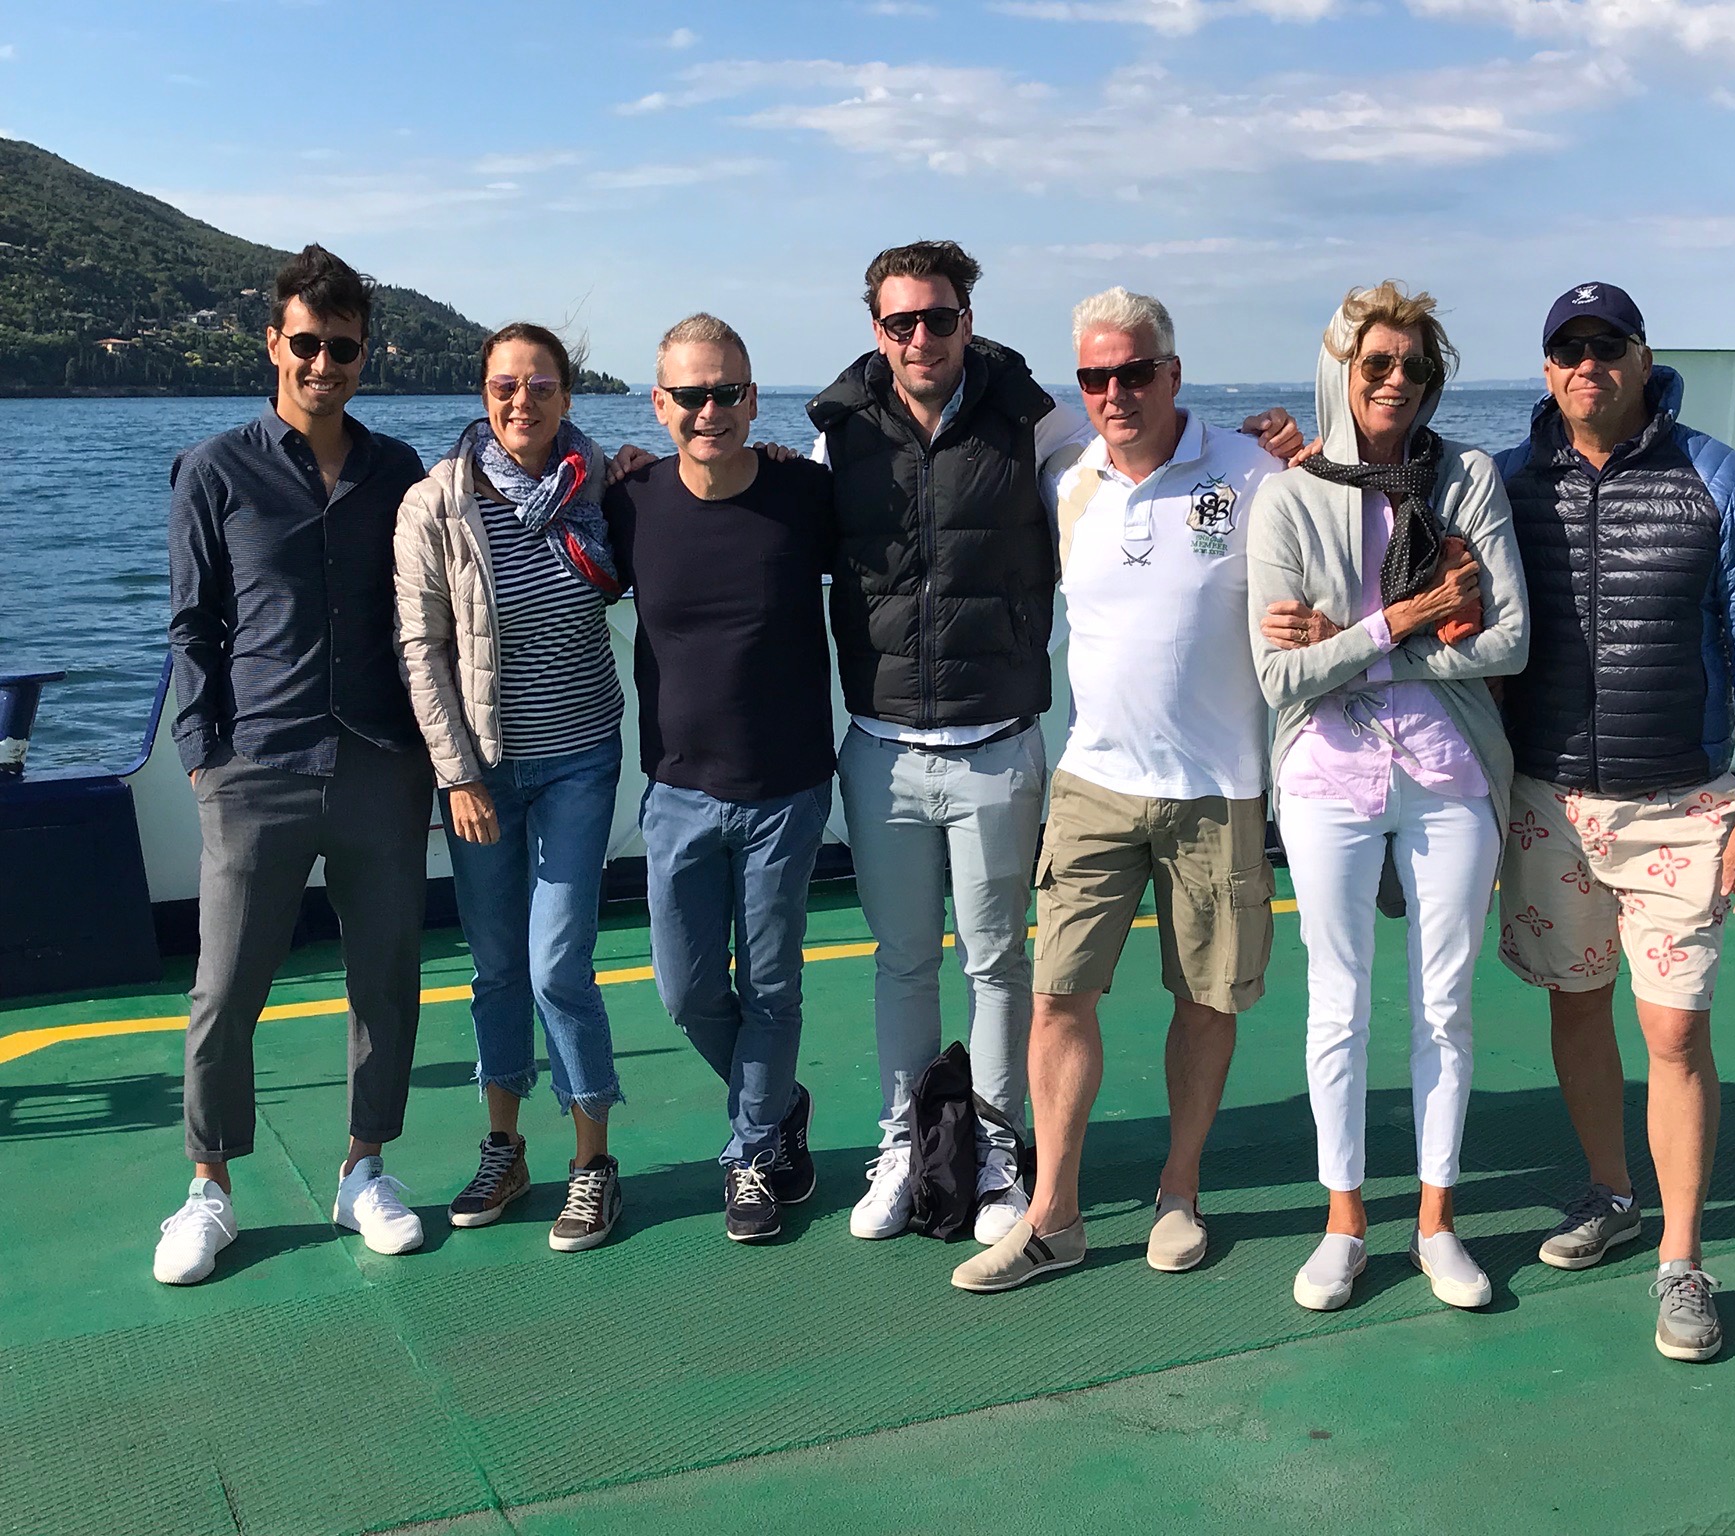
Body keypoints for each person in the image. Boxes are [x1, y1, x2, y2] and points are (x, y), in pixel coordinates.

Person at [808, 240, 1304, 1247]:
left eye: (938, 317)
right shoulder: (848, 436)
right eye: (901, 321)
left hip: (1034, 747)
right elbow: (761, 495)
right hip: (925, 749)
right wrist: (629, 472)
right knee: (951, 970)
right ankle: (920, 1152)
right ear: (876, 330)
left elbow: (1298, 512)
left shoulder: (1050, 426)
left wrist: (1299, 442)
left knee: (1018, 966)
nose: (920, 336)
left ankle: (1043, 1161)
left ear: (967, 321)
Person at [1494, 281, 1735, 1362]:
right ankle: (1610, 1194)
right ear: (1547, 369)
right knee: (1577, 1004)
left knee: (1672, 1031)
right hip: (1545, 801)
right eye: (1567, 348)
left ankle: (1681, 1258)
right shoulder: (1507, 483)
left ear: (1640, 356)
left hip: (1682, 803)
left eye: (1606, 344)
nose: (1587, 364)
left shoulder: (1721, 479)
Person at [952, 289, 1285, 1292]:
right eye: (1094, 377)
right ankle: (1052, 1216)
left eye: (1133, 372)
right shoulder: (1068, 477)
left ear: (1172, 373)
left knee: (1205, 998)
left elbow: (1329, 556)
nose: (1114, 393)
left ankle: (1179, 1191)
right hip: (1093, 781)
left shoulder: (1252, 470)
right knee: (1057, 996)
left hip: (1219, 789)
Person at [154, 245, 434, 1284]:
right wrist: (202, 754)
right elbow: (192, 626)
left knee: (385, 980)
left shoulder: (397, 470)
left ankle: (366, 1169)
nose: (324, 364)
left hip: (379, 763)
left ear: (366, 355)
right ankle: (209, 1188)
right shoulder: (214, 469)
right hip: (255, 766)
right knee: (224, 990)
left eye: (342, 348)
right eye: (306, 344)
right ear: (274, 343)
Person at [1249, 281, 1529, 1314]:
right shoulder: (1288, 498)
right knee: (1338, 999)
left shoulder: (1467, 479)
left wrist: (1352, 644)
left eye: (1416, 366)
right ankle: (1343, 1223)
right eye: (1377, 363)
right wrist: (1407, 619)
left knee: (1444, 1003)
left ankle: (1436, 1222)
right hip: (1326, 776)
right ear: (1342, 370)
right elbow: (1279, 676)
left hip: (1451, 773)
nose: (1397, 381)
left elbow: (1510, 641)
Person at [393, 322, 628, 1252]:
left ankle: (592, 1163)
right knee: (494, 963)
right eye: (503, 386)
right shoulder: (436, 504)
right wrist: (456, 774)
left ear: (567, 395)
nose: (521, 401)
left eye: (539, 385)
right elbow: (422, 649)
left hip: (580, 757)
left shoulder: (600, 482)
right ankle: (505, 1147)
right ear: (482, 395)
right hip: (483, 771)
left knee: (556, 963)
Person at [605, 314, 838, 1244]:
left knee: (773, 988)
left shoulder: (805, 495)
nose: (711, 411)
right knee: (686, 990)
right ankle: (779, 1102)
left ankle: (750, 1155)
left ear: (753, 396)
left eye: (728, 392)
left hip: (786, 788)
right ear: (659, 406)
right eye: (692, 396)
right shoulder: (630, 502)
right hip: (677, 792)